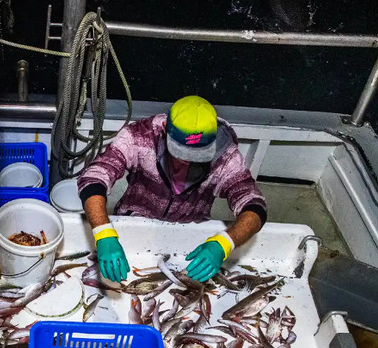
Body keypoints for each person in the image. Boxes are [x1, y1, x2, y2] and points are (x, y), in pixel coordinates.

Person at [76, 95, 267, 285]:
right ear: (166, 130)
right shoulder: (138, 136)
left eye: (198, 155)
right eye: (180, 152)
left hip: (189, 236)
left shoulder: (226, 157)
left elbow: (254, 205)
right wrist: (103, 232)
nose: (187, 161)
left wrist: (225, 242)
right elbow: (94, 176)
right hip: (133, 224)